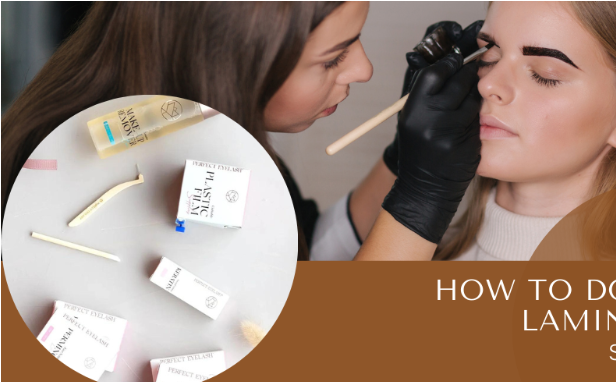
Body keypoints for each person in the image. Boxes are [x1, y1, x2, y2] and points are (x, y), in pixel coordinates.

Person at [1, 2, 484, 261]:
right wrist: (425, 198)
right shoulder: (117, 197)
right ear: (230, 58)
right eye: (333, 57)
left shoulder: (195, 134)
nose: (364, 69)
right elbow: (325, 358)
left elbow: (304, 256)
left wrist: (403, 158)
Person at [314, 2, 616, 260]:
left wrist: (420, 197)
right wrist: (404, 162)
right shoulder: (420, 249)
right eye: (489, 55)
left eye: (544, 75)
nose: (487, 85)